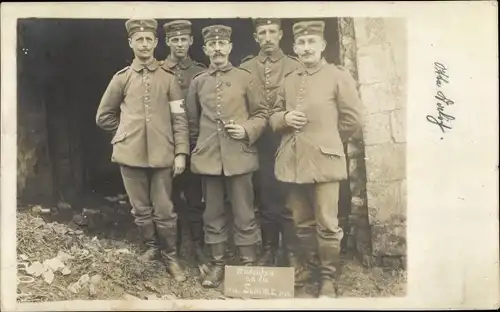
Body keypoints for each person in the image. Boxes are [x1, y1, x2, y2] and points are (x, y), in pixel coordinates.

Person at [269, 20, 363, 298]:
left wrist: (329, 142)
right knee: (301, 222)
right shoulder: (289, 81)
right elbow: (272, 116)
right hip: (294, 163)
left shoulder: (337, 76)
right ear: (294, 47)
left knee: (327, 223)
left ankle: (328, 280)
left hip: (324, 163)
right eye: (301, 43)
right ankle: (308, 269)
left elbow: (352, 120)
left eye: (312, 42)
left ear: (322, 46)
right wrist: (284, 118)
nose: (306, 47)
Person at [96, 19, 188, 283]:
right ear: (131, 43)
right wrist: (125, 133)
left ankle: (171, 257)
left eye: (149, 39)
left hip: (162, 156)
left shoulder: (168, 79)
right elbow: (104, 116)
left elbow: (179, 118)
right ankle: (151, 248)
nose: (145, 44)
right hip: (130, 155)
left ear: (156, 43)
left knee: (164, 208)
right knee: (140, 209)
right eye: (140, 39)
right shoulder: (122, 78)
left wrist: (180, 152)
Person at [185, 24, 267, 288]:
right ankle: (218, 263)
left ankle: (248, 264)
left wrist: (245, 129)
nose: (217, 49)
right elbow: (192, 122)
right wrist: (201, 147)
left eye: (222, 44)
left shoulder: (246, 78)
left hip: (239, 156)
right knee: (212, 212)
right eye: (212, 45)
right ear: (205, 49)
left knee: (244, 211)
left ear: (230, 47)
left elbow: (261, 115)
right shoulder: (198, 82)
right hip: (209, 158)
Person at [239, 18, 300, 267]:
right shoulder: (245, 68)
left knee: (292, 195)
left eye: (271, 31)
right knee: (266, 194)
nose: (267, 37)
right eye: (262, 32)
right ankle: (269, 248)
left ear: (280, 34)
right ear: (255, 37)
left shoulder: (295, 66)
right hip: (260, 141)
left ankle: (292, 252)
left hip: (289, 138)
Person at [161, 20, 208, 273]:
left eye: (184, 39)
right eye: (174, 39)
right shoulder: (159, 71)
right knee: (166, 200)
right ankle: (172, 250)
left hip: (194, 144)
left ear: (191, 41)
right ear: (168, 42)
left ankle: (198, 248)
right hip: (164, 145)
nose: (179, 44)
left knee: (194, 199)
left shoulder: (201, 72)